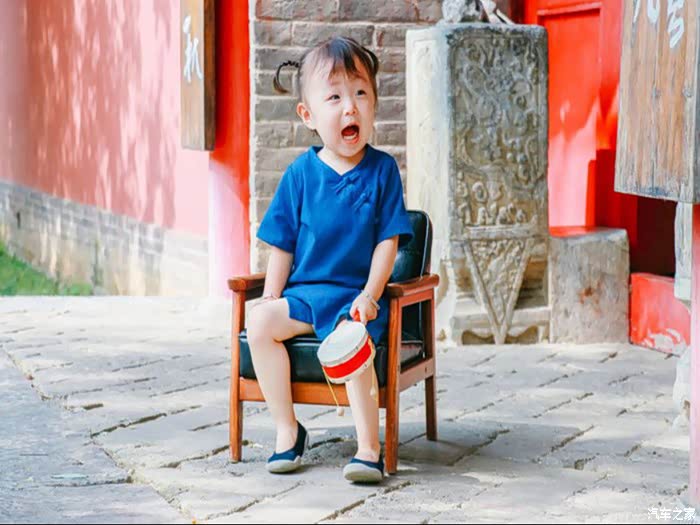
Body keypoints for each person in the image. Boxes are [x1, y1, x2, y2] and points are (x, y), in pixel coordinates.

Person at [248, 36, 414, 483]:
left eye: (360, 93)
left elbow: (387, 243)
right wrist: (270, 296)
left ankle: (368, 448)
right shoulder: (300, 175)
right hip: (306, 297)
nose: (350, 107)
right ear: (308, 116)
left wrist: (370, 295)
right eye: (335, 97)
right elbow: (281, 244)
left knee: (353, 339)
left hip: (352, 299)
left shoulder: (382, 171)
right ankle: (287, 429)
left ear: (374, 105)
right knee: (259, 323)